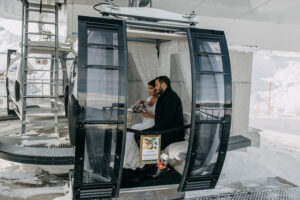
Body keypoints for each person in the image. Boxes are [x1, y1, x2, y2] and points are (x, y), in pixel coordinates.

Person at [135, 76, 185, 150]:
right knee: (138, 135)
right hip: (166, 129)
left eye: (157, 85)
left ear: (164, 84)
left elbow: (167, 120)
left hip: (171, 133)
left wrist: (154, 130)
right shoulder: (165, 96)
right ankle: (149, 157)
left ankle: (151, 158)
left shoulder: (171, 97)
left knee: (140, 135)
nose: (155, 88)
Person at [123, 79, 158, 170]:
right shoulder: (149, 99)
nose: (149, 90)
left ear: (157, 88)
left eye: (151, 88)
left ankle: (137, 160)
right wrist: (140, 106)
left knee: (136, 131)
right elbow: (146, 107)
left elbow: (163, 117)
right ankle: (127, 158)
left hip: (154, 123)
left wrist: (149, 115)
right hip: (146, 121)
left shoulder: (161, 101)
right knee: (132, 129)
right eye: (148, 88)